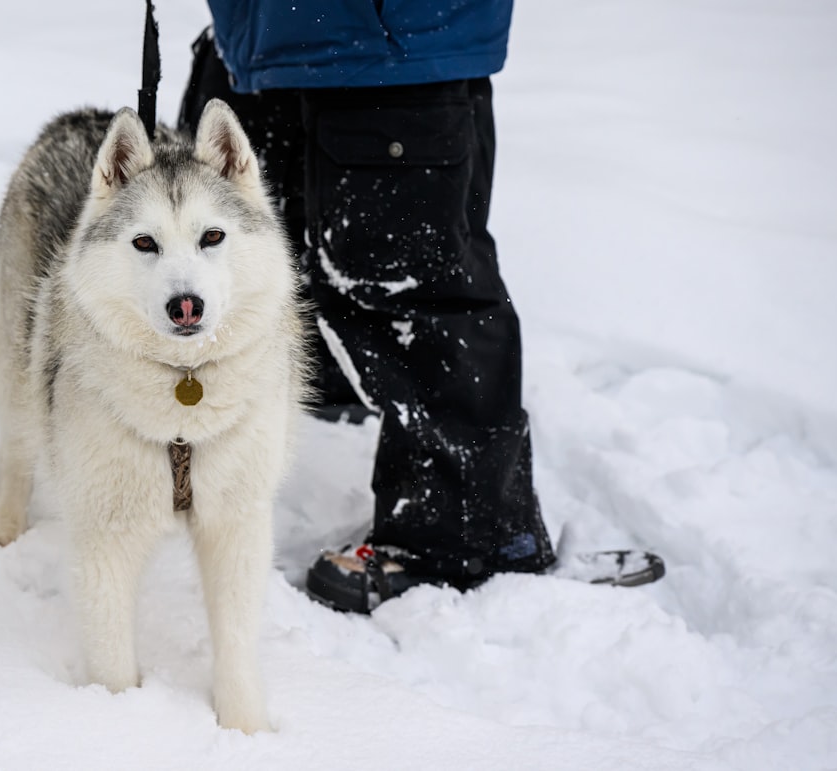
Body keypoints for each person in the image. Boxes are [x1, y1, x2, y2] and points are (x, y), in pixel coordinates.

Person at [177, 1, 557, 613]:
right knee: (256, 256)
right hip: (267, 42)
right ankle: (331, 388)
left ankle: (459, 541)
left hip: (387, 48)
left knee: (415, 294)